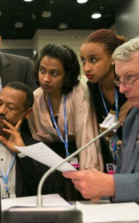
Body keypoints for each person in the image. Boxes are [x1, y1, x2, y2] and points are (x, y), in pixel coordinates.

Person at [64, 33, 139, 205]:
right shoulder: (134, 115)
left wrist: (111, 186)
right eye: (119, 79)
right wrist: (101, 193)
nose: (123, 88)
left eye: (130, 77)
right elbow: (125, 174)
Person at [28, 44, 103, 200]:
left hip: (84, 154)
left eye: (54, 73)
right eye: (42, 71)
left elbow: (87, 139)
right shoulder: (36, 97)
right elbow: (37, 142)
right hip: (52, 163)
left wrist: (91, 182)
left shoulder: (79, 91)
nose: (45, 78)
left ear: (67, 75)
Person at [80, 29, 130, 173]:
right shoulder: (90, 89)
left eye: (94, 60)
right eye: (83, 60)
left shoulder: (132, 88)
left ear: (113, 58)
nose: (86, 68)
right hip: (108, 162)